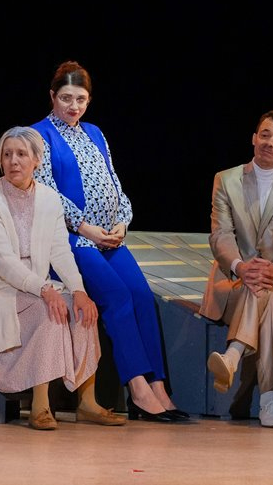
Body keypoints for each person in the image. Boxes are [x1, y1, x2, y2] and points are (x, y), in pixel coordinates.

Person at [31, 60, 188, 422]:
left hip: (109, 238)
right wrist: (84, 228)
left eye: (81, 99)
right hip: (73, 240)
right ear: (52, 96)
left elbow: (114, 182)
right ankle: (138, 388)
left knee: (142, 297)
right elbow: (49, 192)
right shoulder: (39, 135)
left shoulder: (95, 133)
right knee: (117, 297)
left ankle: (158, 386)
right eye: (66, 98)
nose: (74, 106)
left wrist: (122, 221)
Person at [0, 126, 126, 430]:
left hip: (33, 285)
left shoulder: (49, 199)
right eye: (7, 155)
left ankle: (87, 402)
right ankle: (40, 405)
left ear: (37, 160)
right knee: (49, 310)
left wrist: (78, 290)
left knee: (82, 309)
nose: (13, 161)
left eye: (21, 154)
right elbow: (4, 264)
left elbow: (60, 251)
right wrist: (45, 290)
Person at [199, 109, 273, 428]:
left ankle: (233, 355)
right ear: (253, 138)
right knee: (264, 295)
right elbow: (221, 234)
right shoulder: (226, 179)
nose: (269, 143)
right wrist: (240, 267)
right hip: (233, 283)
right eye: (264, 135)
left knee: (268, 292)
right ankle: (269, 399)